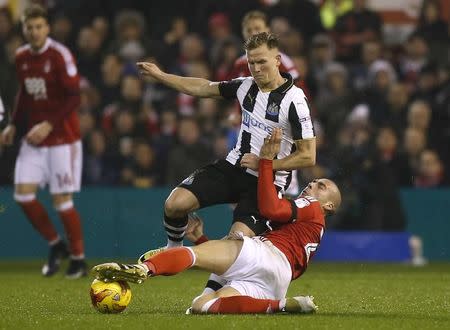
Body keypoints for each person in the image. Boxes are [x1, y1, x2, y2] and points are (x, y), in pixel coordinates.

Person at [136, 31, 316, 294]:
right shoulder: (245, 86)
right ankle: (173, 250)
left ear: (277, 60)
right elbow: (202, 87)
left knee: (236, 243)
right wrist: (161, 75)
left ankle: (209, 296)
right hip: (233, 167)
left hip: (265, 183)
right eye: (251, 62)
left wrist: (265, 163)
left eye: (262, 62)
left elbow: (308, 155)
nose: (256, 68)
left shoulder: (295, 101)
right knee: (175, 204)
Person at [92, 128, 341, 315]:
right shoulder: (310, 230)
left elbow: (270, 207)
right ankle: (282, 305)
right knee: (202, 306)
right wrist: (202, 238)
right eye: (314, 182)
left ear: (329, 206)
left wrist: (266, 161)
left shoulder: (311, 207)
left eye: (322, 186)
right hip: (277, 281)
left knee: (195, 255)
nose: (312, 184)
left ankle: (142, 270)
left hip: (268, 256)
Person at [0, 4, 86, 278]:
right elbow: (25, 94)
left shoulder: (60, 55)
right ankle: (56, 244)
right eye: (29, 28)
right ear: (24, 30)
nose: (34, 32)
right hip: (34, 139)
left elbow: (74, 97)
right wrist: (13, 124)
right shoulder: (22, 56)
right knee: (23, 195)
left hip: (62, 138)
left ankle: (78, 259)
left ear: (47, 28)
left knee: (62, 201)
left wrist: (48, 124)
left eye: (39, 27)